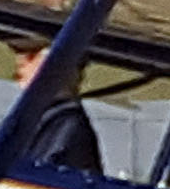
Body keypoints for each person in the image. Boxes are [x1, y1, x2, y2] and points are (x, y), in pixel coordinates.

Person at [10, 37, 104, 177]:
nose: (21, 64)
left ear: (65, 67)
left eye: (31, 56)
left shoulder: (70, 128)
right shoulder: (23, 120)